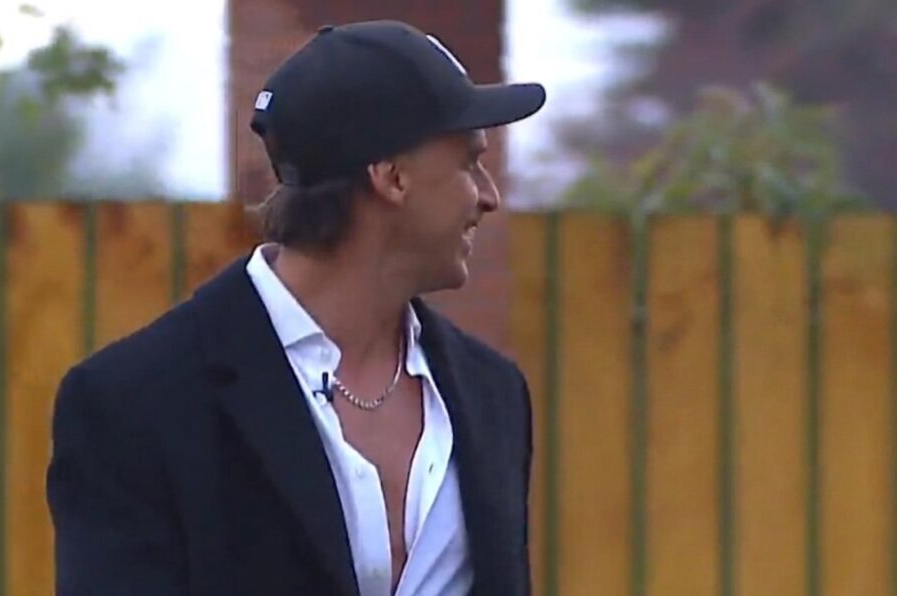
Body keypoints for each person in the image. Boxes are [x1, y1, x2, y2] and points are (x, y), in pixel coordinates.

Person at [46, 19, 546, 596]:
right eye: (468, 163)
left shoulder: (492, 394)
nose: (489, 195)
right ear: (392, 176)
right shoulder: (136, 404)